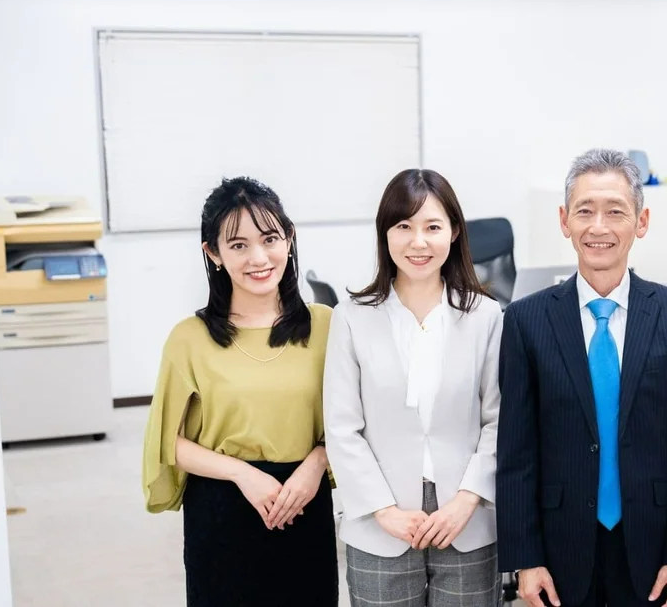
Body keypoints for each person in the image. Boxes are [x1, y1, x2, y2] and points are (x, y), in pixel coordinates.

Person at [496, 149, 667, 607]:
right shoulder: (524, 321)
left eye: (615, 211)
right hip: (559, 548)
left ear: (641, 221)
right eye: (585, 211)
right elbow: (517, 452)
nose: (599, 227)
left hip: (654, 547)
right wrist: (525, 558)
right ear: (564, 221)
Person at [142, 176, 337, 606]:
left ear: (289, 237)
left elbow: (354, 422)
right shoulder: (189, 338)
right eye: (238, 245)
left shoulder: (326, 326)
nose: (259, 258)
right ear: (212, 253)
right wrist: (243, 474)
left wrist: (316, 464)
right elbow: (167, 442)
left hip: (304, 502)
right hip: (222, 513)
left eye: (270, 239)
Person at [323, 169, 504, 607]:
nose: (418, 242)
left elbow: (499, 420)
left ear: (454, 232)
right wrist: (383, 510)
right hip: (379, 522)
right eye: (403, 226)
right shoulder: (351, 318)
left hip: (467, 520)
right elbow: (342, 427)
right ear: (385, 233)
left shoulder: (486, 316)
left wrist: (466, 501)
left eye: (432, 227)